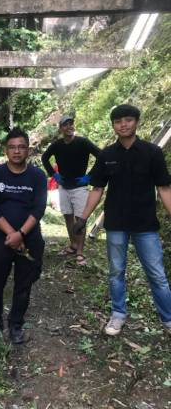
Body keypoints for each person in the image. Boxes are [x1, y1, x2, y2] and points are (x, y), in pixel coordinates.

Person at [74, 104, 171, 336]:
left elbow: (164, 188)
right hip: (116, 224)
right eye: (118, 121)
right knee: (116, 271)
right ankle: (118, 315)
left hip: (146, 224)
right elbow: (97, 188)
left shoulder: (152, 153)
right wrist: (83, 217)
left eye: (128, 120)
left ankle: (168, 319)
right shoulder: (107, 155)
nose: (123, 124)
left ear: (137, 122)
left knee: (157, 274)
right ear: (113, 126)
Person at [0, 128, 47, 344]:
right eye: (12, 147)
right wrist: (11, 234)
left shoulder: (37, 176)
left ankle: (16, 324)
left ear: (28, 150)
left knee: (24, 283)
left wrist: (22, 234)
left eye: (21, 147)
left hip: (31, 238)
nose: (17, 151)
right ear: (6, 150)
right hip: (3, 237)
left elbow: (38, 209)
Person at [41, 115, 100, 265]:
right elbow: (45, 157)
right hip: (64, 186)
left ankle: (80, 252)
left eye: (71, 124)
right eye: (65, 125)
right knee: (68, 216)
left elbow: (102, 156)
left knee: (80, 219)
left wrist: (89, 176)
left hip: (80, 186)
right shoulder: (57, 145)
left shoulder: (83, 142)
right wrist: (54, 174)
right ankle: (73, 245)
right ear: (60, 128)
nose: (69, 127)